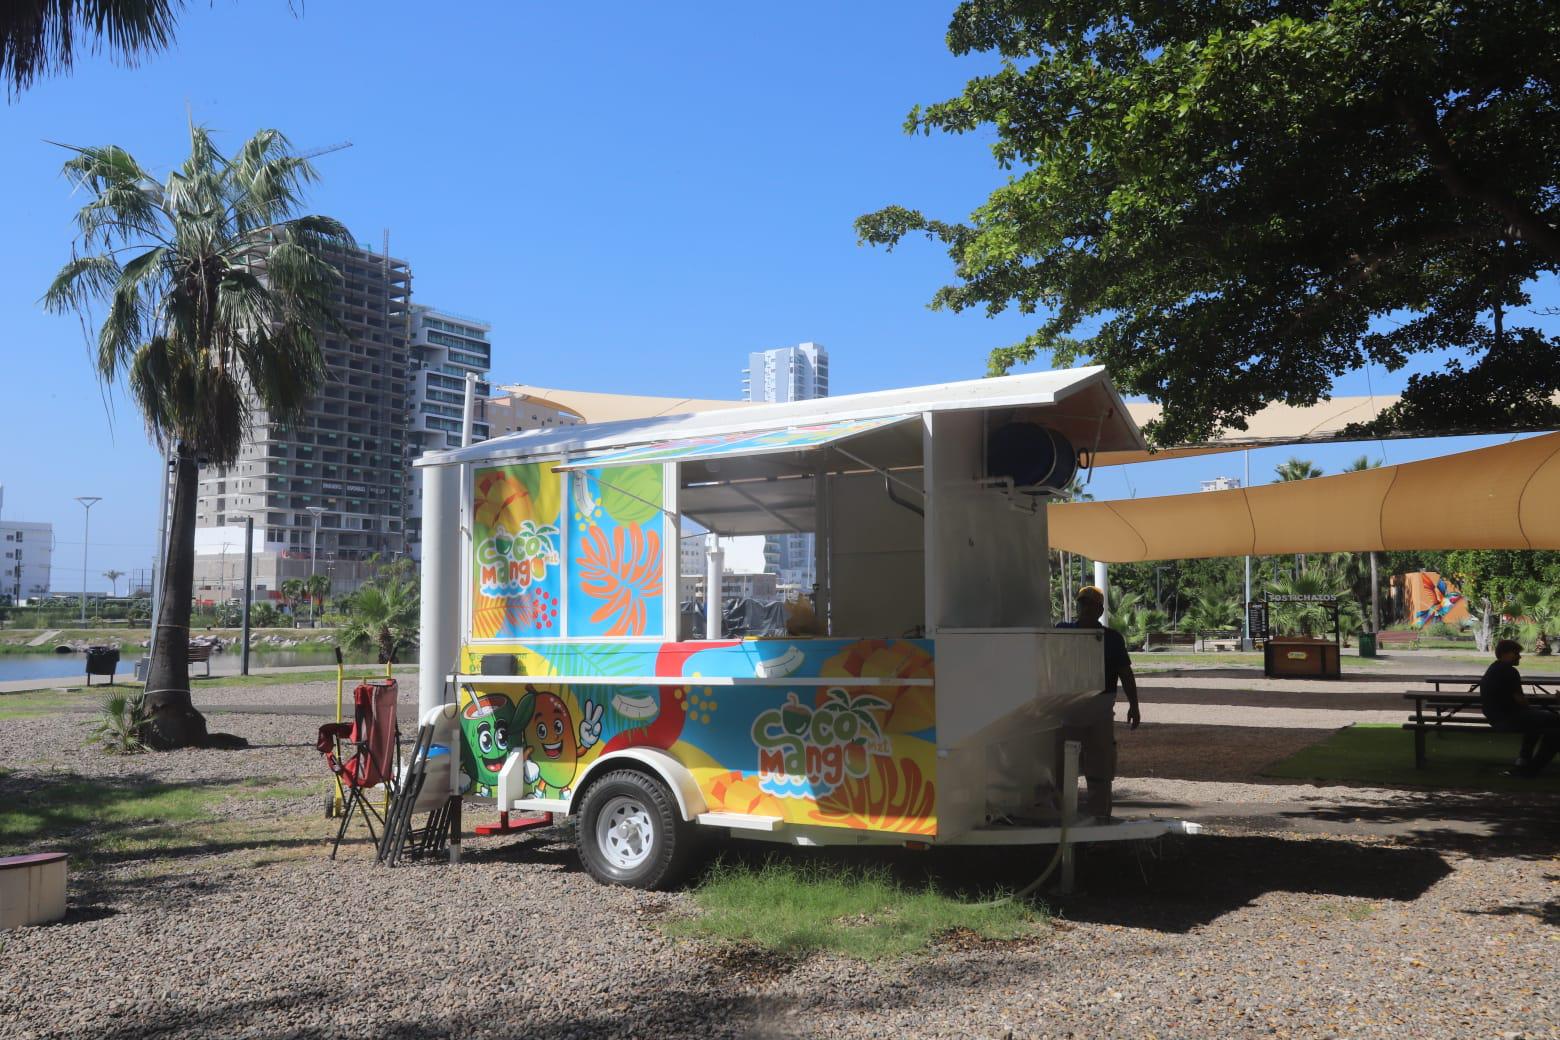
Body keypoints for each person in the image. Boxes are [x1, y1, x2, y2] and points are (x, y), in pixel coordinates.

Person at [1056, 586, 1142, 817]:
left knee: (1100, 768)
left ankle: (1099, 816)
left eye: (1090, 604)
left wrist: (1134, 705)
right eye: (1083, 603)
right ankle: (1062, 816)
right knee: (1063, 768)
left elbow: (1125, 673)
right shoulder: (1061, 631)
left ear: (1100, 609)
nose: (1085, 608)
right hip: (1067, 709)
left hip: (1100, 708)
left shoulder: (1111, 639)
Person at [1479, 638, 1560, 777]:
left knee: (1540, 724)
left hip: (1496, 718)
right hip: (1509, 718)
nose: (1519, 656)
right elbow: (1520, 699)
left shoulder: (1493, 669)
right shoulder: (1510, 672)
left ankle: (1524, 761)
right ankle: (1531, 767)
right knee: (1553, 722)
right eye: (1516, 653)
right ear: (1506, 654)